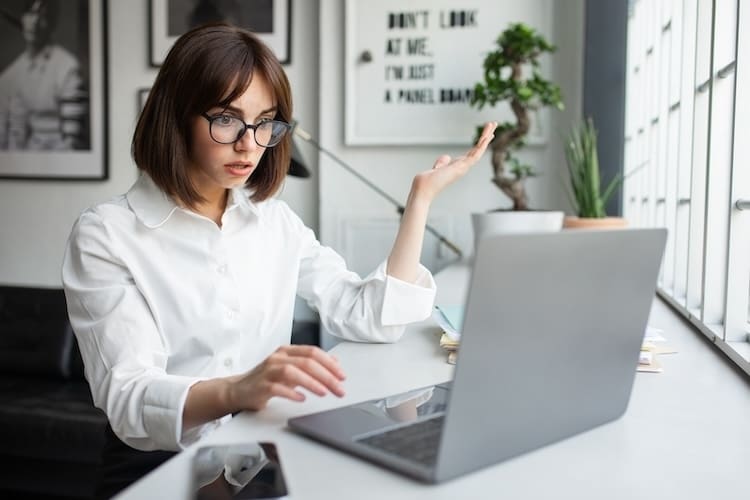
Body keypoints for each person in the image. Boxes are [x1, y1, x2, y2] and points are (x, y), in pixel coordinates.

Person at [61, 23, 496, 497]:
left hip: (251, 462)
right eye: (226, 118)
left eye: (265, 121)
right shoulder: (107, 234)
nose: (250, 143)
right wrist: (237, 389)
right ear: (177, 116)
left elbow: (368, 314)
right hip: (157, 473)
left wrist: (421, 200)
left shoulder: (274, 222)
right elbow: (129, 397)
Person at [0, 0, 87, 150]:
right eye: (30, 14)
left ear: (52, 23)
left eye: (43, 15)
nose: (34, 22)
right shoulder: (10, 75)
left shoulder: (67, 68)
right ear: (22, 18)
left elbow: (72, 143)